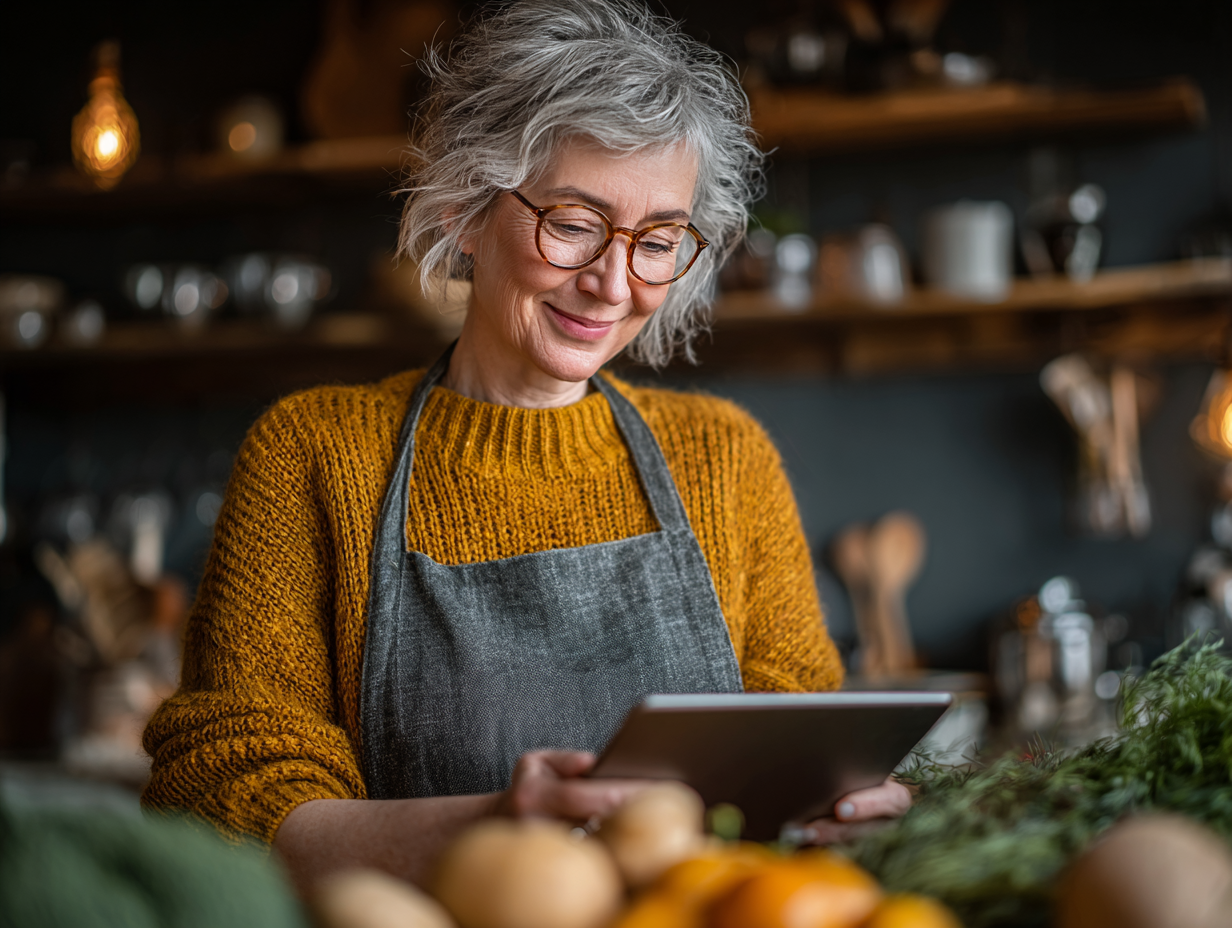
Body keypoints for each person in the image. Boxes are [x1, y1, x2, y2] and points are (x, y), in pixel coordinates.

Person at [141, 0, 911, 891]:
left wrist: (832, 802)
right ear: (467, 211)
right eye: (575, 224)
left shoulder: (726, 459)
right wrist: (493, 829)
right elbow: (221, 796)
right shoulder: (313, 454)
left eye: (658, 241)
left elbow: (795, 746)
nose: (612, 283)